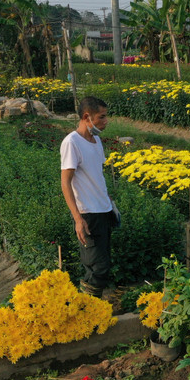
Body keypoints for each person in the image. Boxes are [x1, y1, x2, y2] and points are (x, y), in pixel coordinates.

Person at [61, 96, 119, 298]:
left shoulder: (96, 141)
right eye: (101, 117)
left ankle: (94, 308)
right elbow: (65, 182)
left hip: (103, 210)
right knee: (96, 267)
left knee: (103, 263)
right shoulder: (72, 142)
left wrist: (109, 200)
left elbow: (96, 175)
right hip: (88, 213)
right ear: (87, 117)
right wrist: (78, 218)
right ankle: (88, 311)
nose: (106, 121)